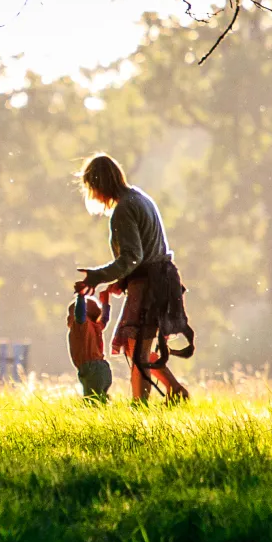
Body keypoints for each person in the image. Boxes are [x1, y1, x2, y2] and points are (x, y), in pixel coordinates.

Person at [73, 154, 188, 403]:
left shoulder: (124, 209)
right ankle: (175, 391)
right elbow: (144, 254)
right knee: (135, 347)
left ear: (97, 184)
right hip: (157, 280)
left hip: (151, 285)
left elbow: (132, 258)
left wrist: (97, 277)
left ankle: (140, 406)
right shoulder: (139, 198)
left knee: (139, 350)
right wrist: (120, 282)